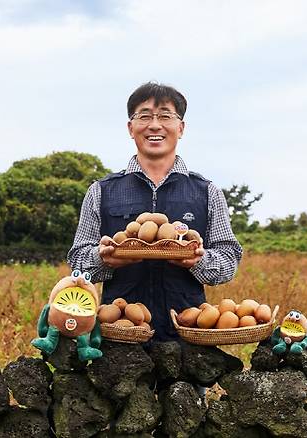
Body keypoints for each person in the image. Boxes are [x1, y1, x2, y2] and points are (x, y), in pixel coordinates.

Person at [68, 82, 242, 341]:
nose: (154, 125)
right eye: (145, 116)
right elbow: (77, 262)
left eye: (165, 116)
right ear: (131, 128)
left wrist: (199, 261)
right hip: (120, 335)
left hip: (187, 334)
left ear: (180, 128)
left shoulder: (206, 192)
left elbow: (228, 260)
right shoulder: (101, 191)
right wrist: (103, 259)